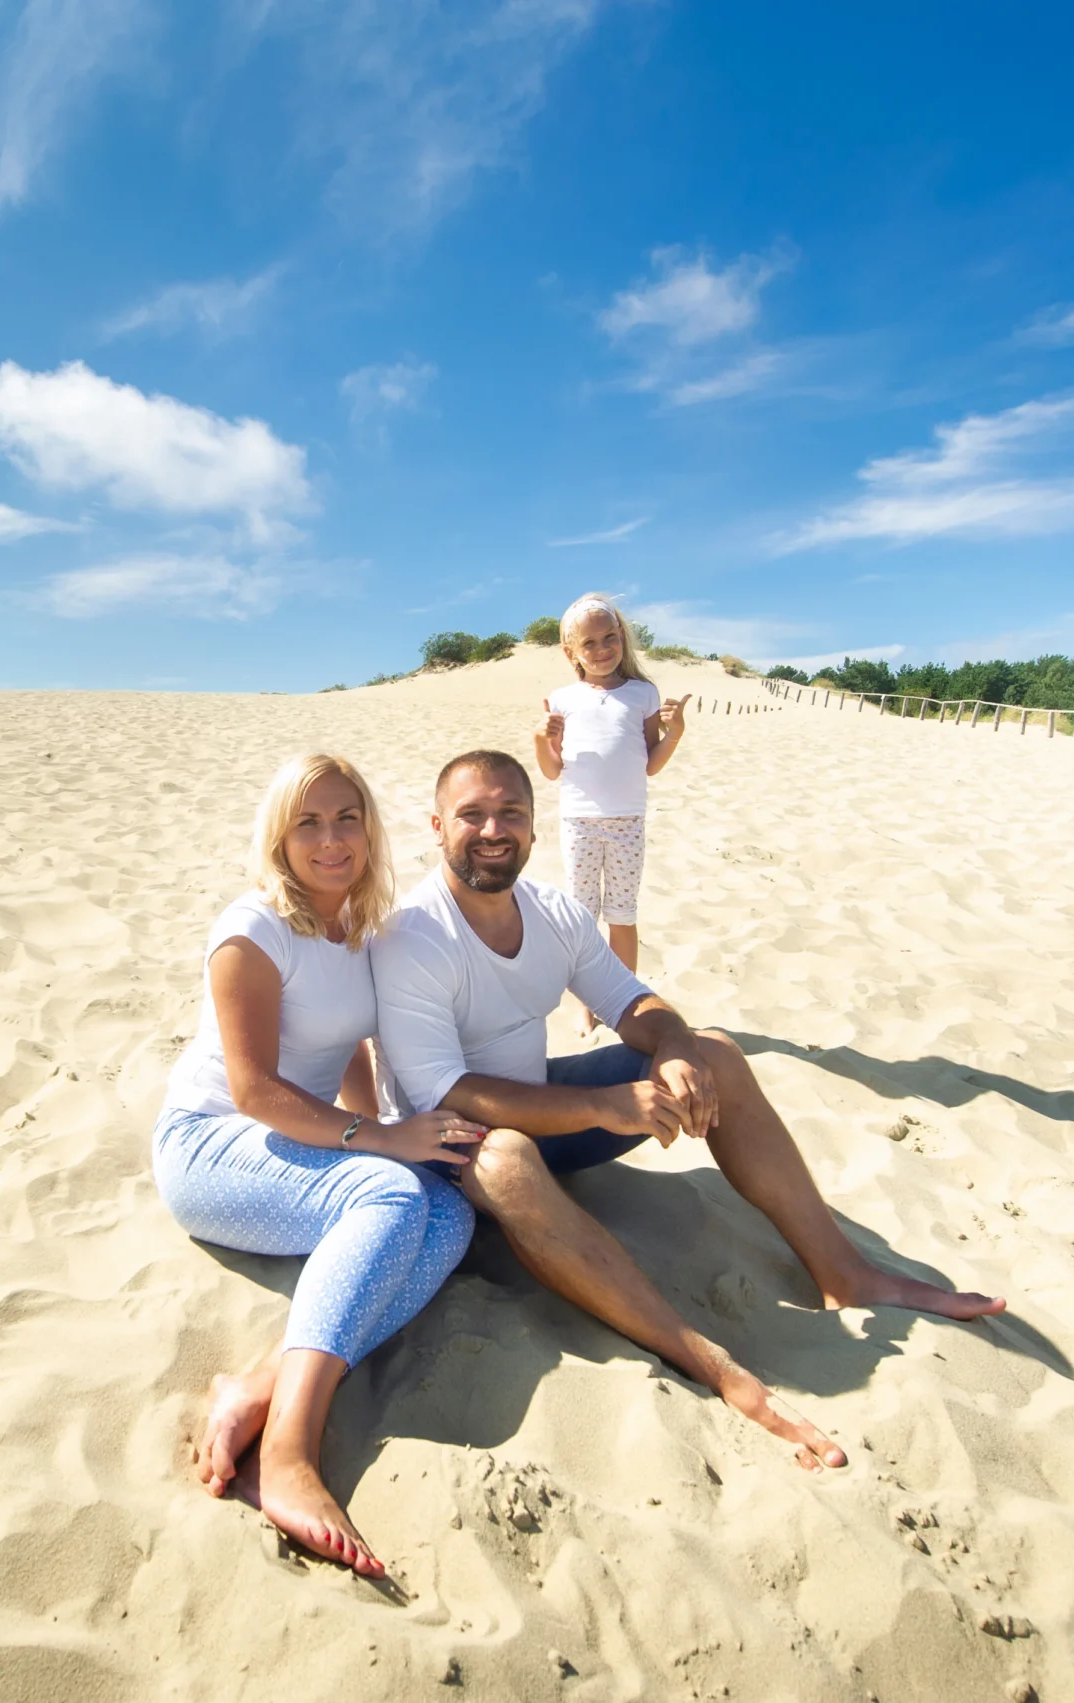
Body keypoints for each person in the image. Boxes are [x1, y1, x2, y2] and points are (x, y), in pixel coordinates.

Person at [373, 750, 1005, 1472]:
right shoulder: (413, 936)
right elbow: (445, 1094)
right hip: (451, 1152)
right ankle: (702, 1356)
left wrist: (672, 1043)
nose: (493, 828)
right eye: (472, 814)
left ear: (534, 826)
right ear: (436, 827)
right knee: (506, 1154)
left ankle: (843, 1272)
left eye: (511, 812)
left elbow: (633, 1002)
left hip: (545, 1114)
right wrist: (605, 1104)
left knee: (718, 1055)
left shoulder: (553, 914)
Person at [154, 752, 487, 1575]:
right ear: (280, 835)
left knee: (447, 1213)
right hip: (209, 1147)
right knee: (391, 1190)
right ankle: (290, 1453)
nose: (331, 839)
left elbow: (350, 1051)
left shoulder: (357, 926)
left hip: (294, 1145)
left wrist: (379, 1128)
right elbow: (256, 1089)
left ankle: (261, 1388)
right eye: (309, 821)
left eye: (347, 819)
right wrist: (380, 1142)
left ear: (370, 832)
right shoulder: (254, 929)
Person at [532, 594, 690, 996]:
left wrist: (675, 733)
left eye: (610, 637)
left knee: (622, 914)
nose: (602, 650)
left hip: (627, 823)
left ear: (622, 637)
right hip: (578, 822)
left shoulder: (643, 694)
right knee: (582, 917)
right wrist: (540, 738)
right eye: (589, 643)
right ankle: (588, 1001)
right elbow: (552, 771)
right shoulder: (563, 699)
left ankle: (625, 1001)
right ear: (571, 652)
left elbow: (650, 763)